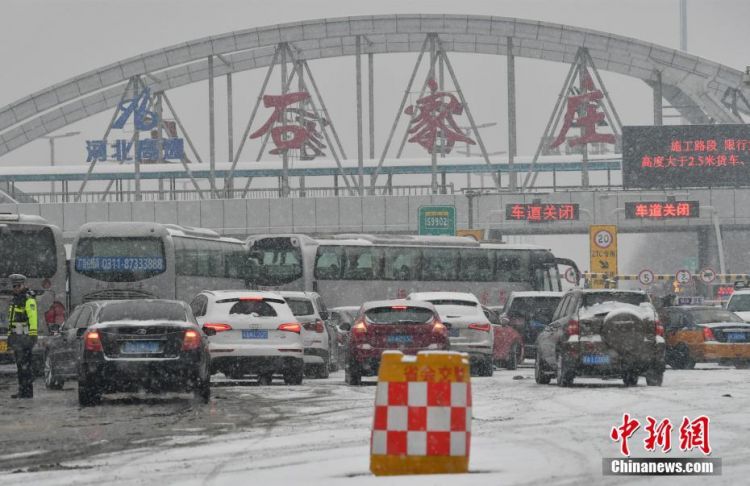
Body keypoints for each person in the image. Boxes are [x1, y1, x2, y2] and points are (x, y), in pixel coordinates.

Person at [6, 274, 38, 398]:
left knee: (25, 366)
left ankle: (27, 392)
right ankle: (23, 390)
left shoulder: (28, 299)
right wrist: (10, 336)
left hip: (25, 338)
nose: (16, 288)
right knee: (20, 366)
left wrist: (33, 335)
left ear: (24, 285)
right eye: (14, 286)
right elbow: (11, 320)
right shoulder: (15, 299)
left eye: (18, 285)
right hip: (17, 338)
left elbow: (33, 317)